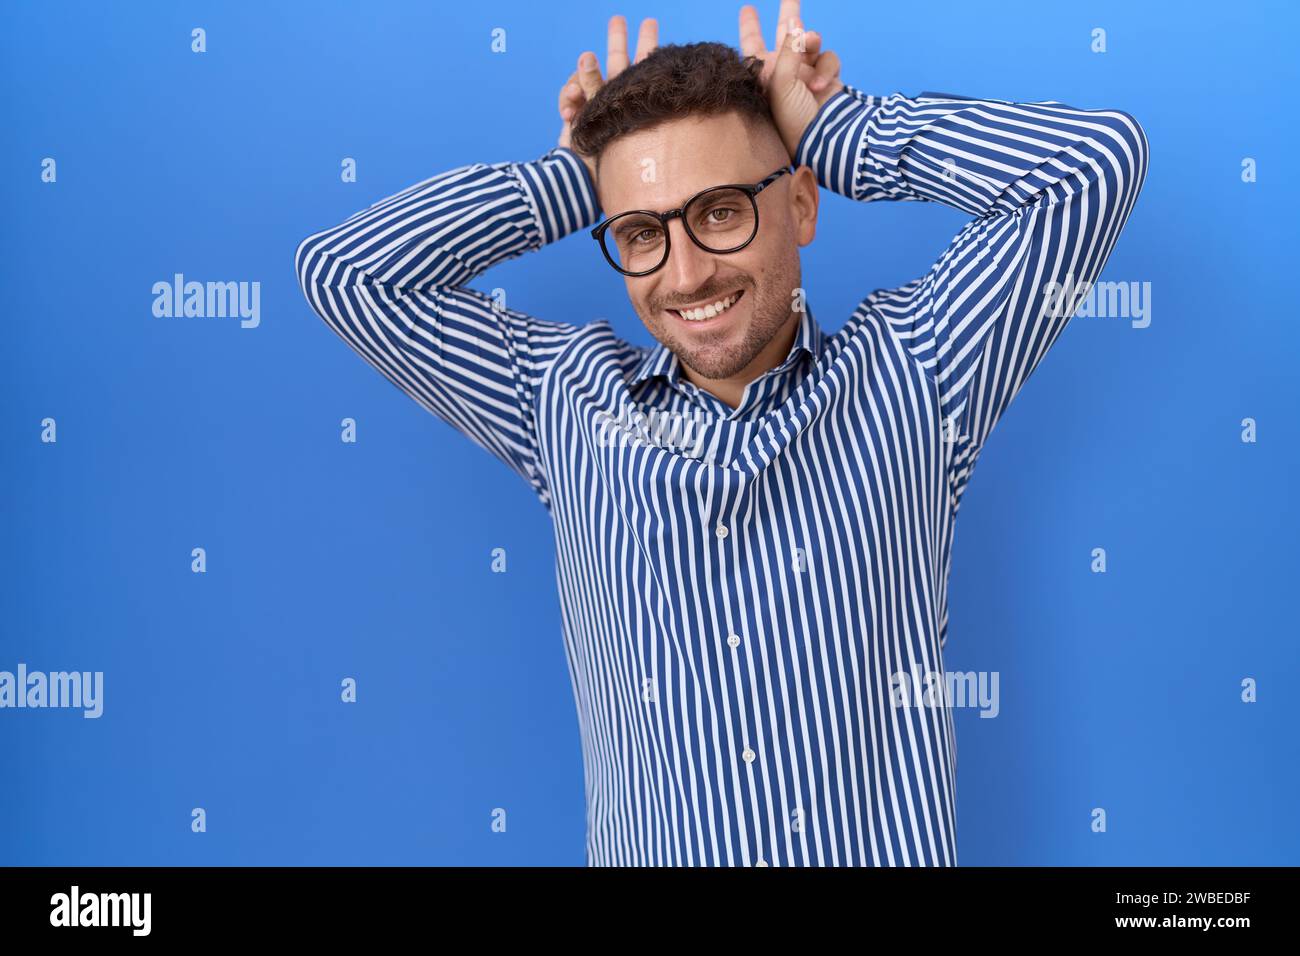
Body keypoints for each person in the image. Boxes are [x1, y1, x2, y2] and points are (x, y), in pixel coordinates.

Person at [294, 3, 1148, 866]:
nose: (688, 272)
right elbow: (346, 275)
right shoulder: (561, 401)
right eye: (641, 232)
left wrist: (834, 130)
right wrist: (575, 176)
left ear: (801, 205)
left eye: (720, 211)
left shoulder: (917, 372)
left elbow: (1091, 165)